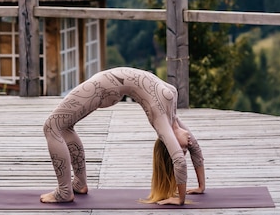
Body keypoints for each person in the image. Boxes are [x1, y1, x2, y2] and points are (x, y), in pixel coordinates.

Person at [40, 67, 205, 205]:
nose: (187, 144)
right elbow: (194, 149)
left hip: (103, 86)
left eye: (182, 148)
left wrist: (180, 200)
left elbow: (179, 161)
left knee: (52, 126)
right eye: (184, 148)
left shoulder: (162, 122)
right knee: (61, 126)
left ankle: (65, 191)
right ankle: (78, 184)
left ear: (169, 141)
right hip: (104, 85)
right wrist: (200, 187)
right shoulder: (171, 116)